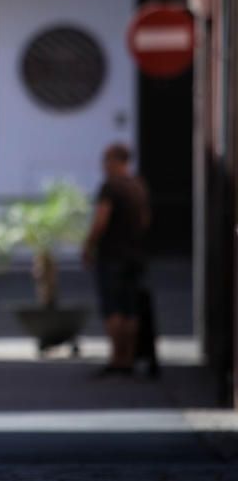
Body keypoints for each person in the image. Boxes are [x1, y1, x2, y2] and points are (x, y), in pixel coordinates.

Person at [82, 143, 150, 378]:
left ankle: (117, 358)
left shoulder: (110, 188)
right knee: (131, 308)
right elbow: (145, 221)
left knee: (113, 307)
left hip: (111, 256)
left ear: (118, 161)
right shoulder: (137, 186)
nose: (104, 165)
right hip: (134, 255)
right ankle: (129, 358)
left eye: (107, 160)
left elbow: (101, 221)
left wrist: (88, 246)